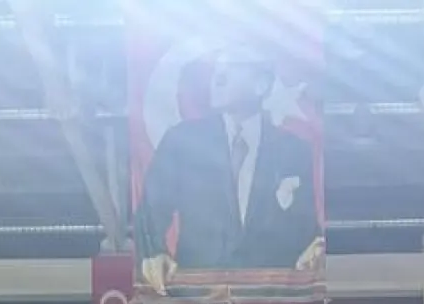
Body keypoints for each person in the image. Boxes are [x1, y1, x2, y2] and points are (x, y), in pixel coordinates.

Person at [136, 45, 322, 287]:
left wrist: (314, 247)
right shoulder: (182, 141)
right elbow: (151, 210)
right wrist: (154, 253)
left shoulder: (293, 149)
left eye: (231, 69)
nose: (217, 78)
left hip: (270, 293)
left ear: (261, 85)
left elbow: (305, 226)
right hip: (198, 292)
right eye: (216, 70)